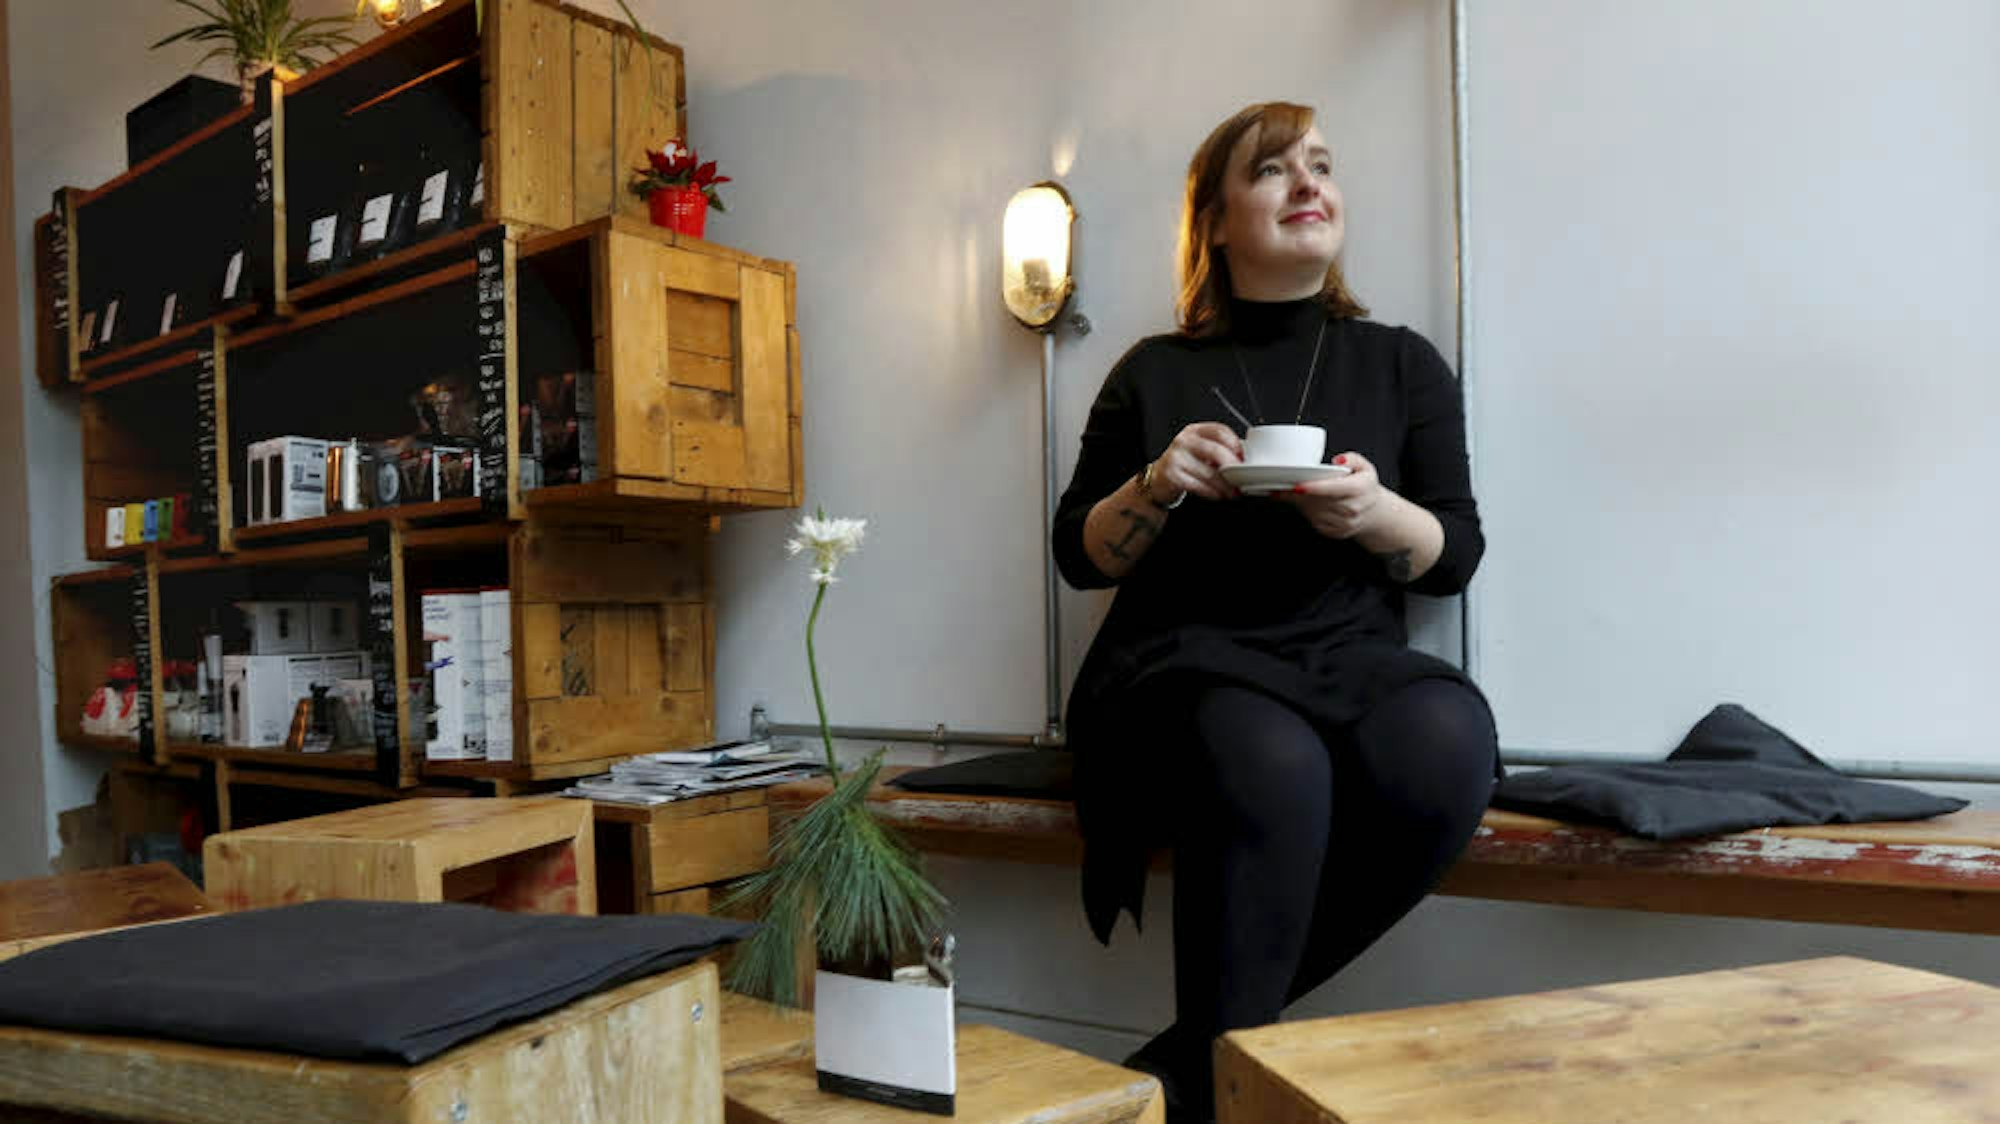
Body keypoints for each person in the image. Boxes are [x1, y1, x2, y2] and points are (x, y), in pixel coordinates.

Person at [1051, 101, 1499, 1123]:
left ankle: (1182, 1069)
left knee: (1447, 735)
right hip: (1180, 660)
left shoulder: (1401, 362)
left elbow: (1453, 555)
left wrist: (1374, 512)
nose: (1308, 185)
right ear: (1212, 222)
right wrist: (1154, 484)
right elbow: (1077, 555)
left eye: (1321, 166)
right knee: (1266, 753)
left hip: (1345, 655)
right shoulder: (1152, 371)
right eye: (1271, 169)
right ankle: (1219, 1084)